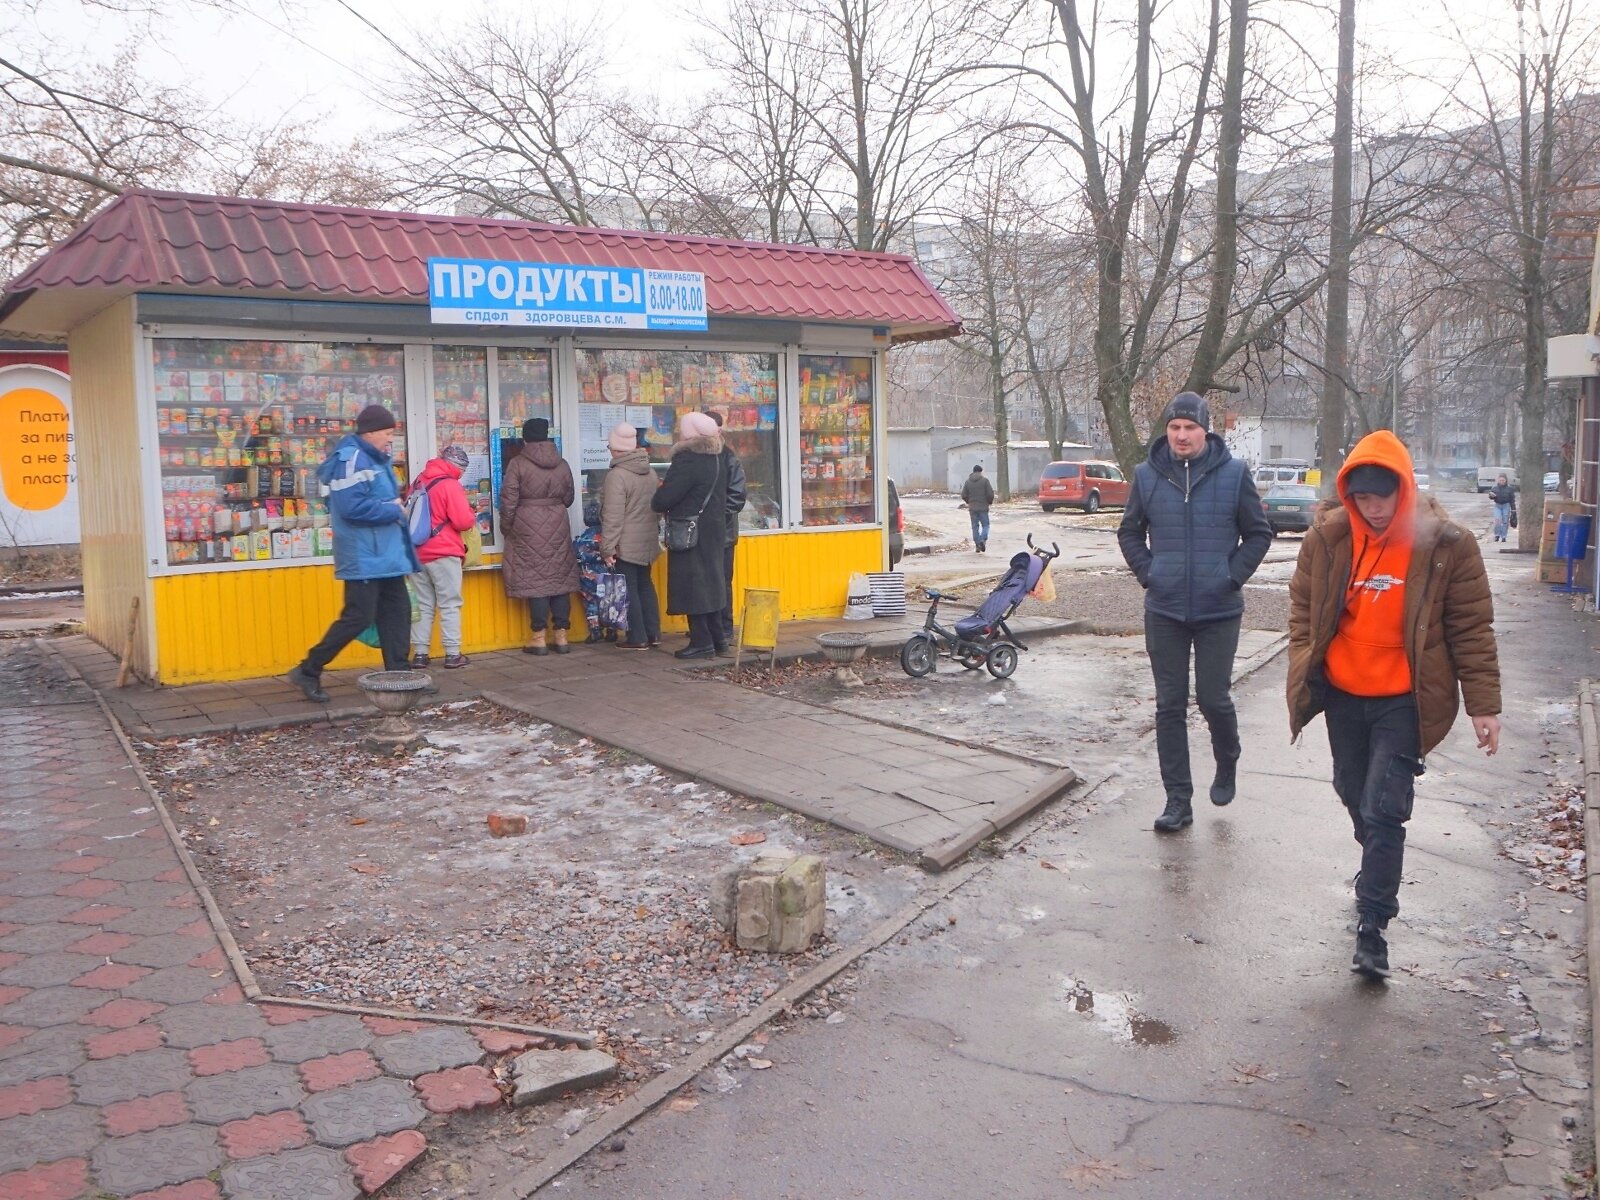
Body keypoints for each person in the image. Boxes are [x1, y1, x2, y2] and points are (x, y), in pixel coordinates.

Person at [1287, 430, 1501, 980]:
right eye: (1362, 498)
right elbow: (1303, 610)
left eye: (1383, 496)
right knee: (1352, 791)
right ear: (1349, 494)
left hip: (1405, 700)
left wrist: (1484, 705)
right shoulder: (1328, 539)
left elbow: (1472, 630)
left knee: (1385, 808)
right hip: (1344, 694)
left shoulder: (1446, 545)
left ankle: (1373, 924)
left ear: (1404, 490)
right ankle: (1375, 862)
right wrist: (1303, 665)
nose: (1373, 508)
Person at [1117, 391, 1273, 832]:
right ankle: (1178, 802)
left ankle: (1228, 758)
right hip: (1164, 608)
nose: (1181, 435)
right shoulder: (1147, 476)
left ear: (1205, 430)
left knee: (1212, 697)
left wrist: (1230, 576)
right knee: (1169, 706)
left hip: (1218, 610)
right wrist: (1151, 573)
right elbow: (1129, 533)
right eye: (1174, 427)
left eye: (1189, 427)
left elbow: (1259, 534)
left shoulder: (1234, 474)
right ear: (1166, 430)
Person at [287, 404, 418, 703]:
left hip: (384, 556)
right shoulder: (351, 459)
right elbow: (351, 507)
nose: (390, 439)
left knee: (397, 613)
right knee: (357, 617)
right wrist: (392, 509)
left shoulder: (375, 457)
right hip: (364, 557)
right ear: (370, 432)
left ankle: (401, 676)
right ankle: (309, 669)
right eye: (387, 433)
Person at [651, 411, 728, 659]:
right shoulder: (716, 458)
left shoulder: (687, 460)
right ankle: (719, 640)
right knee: (711, 583)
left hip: (690, 531)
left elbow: (664, 499)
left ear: (689, 434)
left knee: (693, 586)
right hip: (713, 529)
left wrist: (659, 493)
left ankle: (701, 642)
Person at [500, 417, 580, 656]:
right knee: (559, 580)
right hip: (557, 523)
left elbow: (508, 501)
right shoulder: (562, 463)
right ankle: (562, 636)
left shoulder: (517, 464)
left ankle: (538, 638)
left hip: (526, 526)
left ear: (525, 438)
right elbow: (569, 498)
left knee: (537, 583)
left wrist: (507, 527)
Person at [406, 445, 478, 669]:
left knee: (424, 604)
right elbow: (463, 521)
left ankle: (420, 654)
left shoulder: (419, 481)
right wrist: (471, 513)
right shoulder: (450, 484)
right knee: (449, 603)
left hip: (417, 553)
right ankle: (453, 653)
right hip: (443, 551)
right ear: (457, 467)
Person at [600, 421, 662, 650]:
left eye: (609, 446)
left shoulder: (618, 476)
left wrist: (607, 548)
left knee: (630, 588)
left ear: (616, 449)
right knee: (645, 584)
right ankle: (653, 633)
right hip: (647, 540)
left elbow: (613, 516)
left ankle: (637, 637)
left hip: (626, 542)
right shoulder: (650, 471)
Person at [704, 409, 748, 643]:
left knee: (721, 580)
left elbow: (737, 496)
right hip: (709, 532)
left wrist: (715, 518)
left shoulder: (728, 457)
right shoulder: (705, 457)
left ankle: (724, 627)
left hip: (723, 533)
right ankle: (710, 629)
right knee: (708, 581)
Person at [960, 464, 995, 552]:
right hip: (983, 507)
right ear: (980, 471)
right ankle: (982, 540)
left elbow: (963, 495)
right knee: (986, 525)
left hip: (972, 508)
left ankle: (977, 545)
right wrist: (989, 501)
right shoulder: (985, 481)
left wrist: (969, 501)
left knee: (975, 527)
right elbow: (990, 494)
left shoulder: (968, 482)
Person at [1488, 474, 1516, 543]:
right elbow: (1491, 497)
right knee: (1498, 520)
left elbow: (1512, 500)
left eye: (1503, 480)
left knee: (1505, 521)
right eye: (1500, 480)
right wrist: (1492, 496)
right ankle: (1497, 535)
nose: (1502, 481)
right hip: (1498, 505)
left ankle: (1503, 536)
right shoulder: (1494, 488)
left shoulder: (1510, 489)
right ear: (1498, 480)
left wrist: (1513, 509)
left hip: (1506, 505)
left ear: (1506, 480)